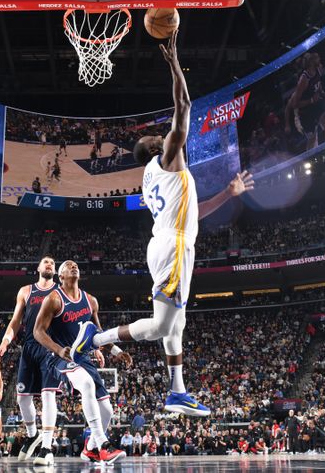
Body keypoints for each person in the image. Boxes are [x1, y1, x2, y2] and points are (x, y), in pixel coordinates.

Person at [71, 31, 254, 416]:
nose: (166, 136)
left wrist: (228, 194)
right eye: (162, 137)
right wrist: (173, 62)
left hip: (173, 241)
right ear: (159, 147)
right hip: (172, 246)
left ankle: (177, 391)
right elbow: (183, 104)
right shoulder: (167, 160)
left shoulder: (158, 176)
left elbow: (195, 213)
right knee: (159, 326)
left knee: (177, 325)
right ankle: (95, 338)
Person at [33, 260, 131, 465]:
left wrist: (115, 350)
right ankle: (104, 446)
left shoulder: (91, 301)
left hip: (83, 358)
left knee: (108, 411)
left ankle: (90, 448)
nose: (73, 266)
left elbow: (98, 332)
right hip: (58, 356)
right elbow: (38, 331)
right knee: (85, 383)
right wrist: (59, 349)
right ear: (61, 276)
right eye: (68, 266)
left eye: (75, 265)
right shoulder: (53, 299)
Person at [0, 256, 61, 462]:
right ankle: (33, 435)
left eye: (52, 263)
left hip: (50, 346)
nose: (49, 264)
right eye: (46, 262)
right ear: (38, 268)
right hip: (29, 347)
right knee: (22, 398)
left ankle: (47, 447)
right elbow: (16, 320)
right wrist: (5, 341)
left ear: (56, 271)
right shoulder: (25, 291)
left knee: (49, 394)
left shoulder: (61, 292)